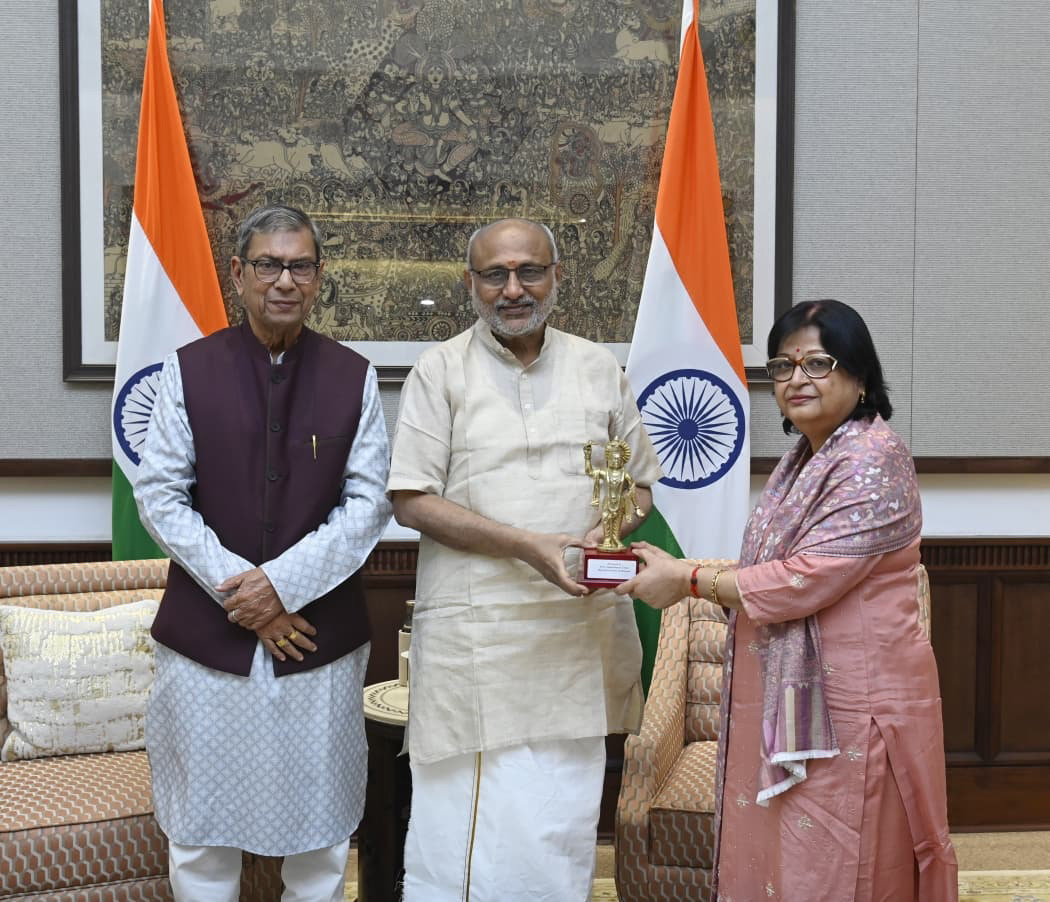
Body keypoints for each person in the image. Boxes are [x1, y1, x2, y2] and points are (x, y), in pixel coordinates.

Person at [618, 299, 958, 900]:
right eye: (782, 365)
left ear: (859, 377)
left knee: (848, 863)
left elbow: (805, 579)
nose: (796, 379)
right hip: (800, 699)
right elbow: (768, 571)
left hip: (855, 707)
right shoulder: (807, 457)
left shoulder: (874, 458)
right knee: (789, 860)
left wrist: (687, 580)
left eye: (818, 362)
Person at [387, 218, 663, 900]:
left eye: (530, 272)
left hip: (577, 637)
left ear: (557, 276)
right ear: (470, 284)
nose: (513, 289)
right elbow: (411, 499)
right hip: (477, 645)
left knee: (556, 823)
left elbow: (640, 486)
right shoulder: (440, 369)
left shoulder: (599, 366)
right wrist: (529, 546)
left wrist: (610, 527)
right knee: (462, 830)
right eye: (495, 275)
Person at [134, 203, 392, 900]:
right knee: (200, 833)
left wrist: (282, 587)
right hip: (206, 641)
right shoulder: (187, 370)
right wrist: (244, 593)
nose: (285, 280)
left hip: (318, 644)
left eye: (300, 266)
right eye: (269, 265)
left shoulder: (352, 375)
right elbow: (159, 495)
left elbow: (369, 504)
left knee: (322, 834)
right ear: (239, 275)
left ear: (319, 277)